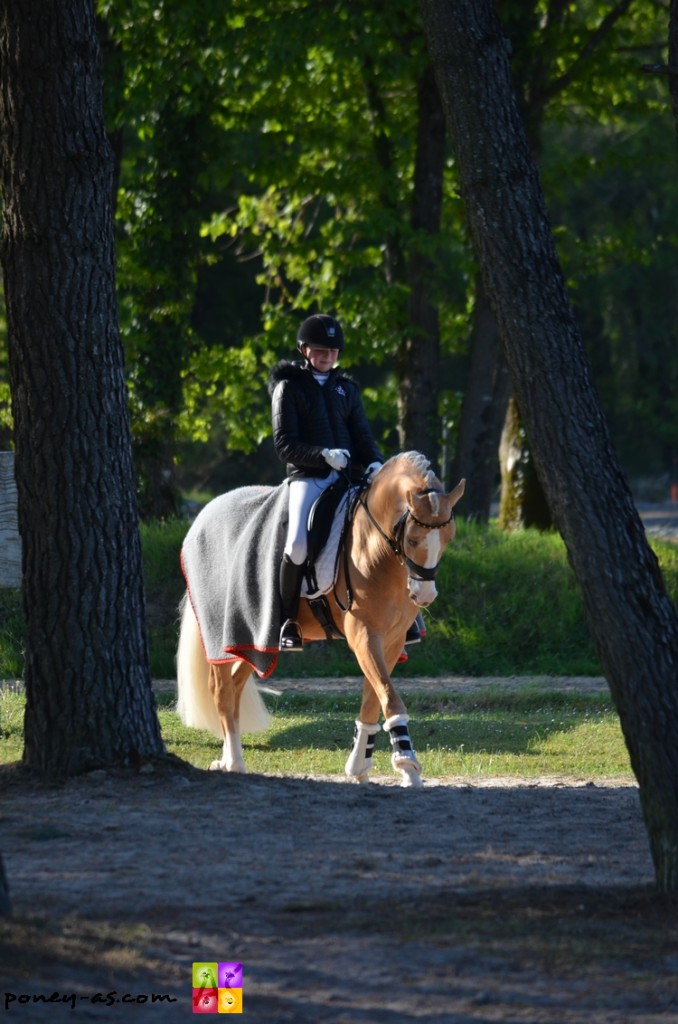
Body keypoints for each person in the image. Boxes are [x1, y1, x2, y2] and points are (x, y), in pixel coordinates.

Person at [268, 313, 384, 651]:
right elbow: (284, 444)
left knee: (386, 529)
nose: (327, 356)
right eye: (320, 350)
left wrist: (375, 460)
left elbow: (362, 436)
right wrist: (323, 456)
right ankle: (287, 620)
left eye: (333, 351)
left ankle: (407, 618)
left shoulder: (345, 389)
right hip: (309, 478)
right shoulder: (289, 388)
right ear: (305, 350)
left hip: (347, 477)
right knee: (297, 545)